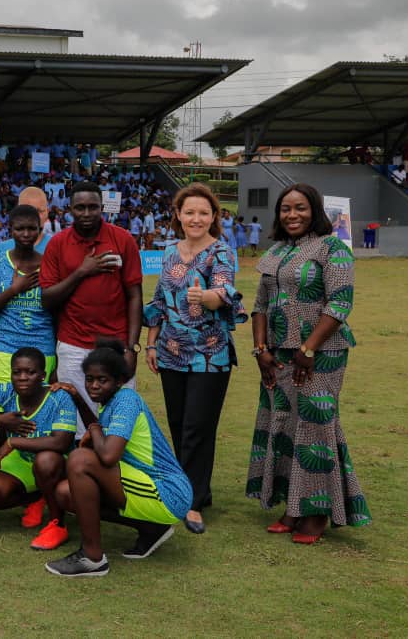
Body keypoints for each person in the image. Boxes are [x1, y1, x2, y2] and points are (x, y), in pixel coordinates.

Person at [247, 183, 370, 544]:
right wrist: (260, 350)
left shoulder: (333, 249)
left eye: (300, 208)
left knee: (316, 426)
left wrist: (309, 348)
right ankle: (293, 507)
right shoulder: (277, 251)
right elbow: (259, 306)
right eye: (285, 209)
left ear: (314, 210)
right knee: (284, 425)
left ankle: (316, 515)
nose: (292, 215)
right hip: (278, 354)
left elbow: (340, 303)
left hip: (323, 353)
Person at [143, 184, 246, 535]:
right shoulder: (170, 251)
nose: (196, 219)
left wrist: (207, 297)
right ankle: (194, 486)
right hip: (171, 352)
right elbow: (159, 300)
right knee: (178, 423)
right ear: (178, 215)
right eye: (190, 212)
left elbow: (223, 291)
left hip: (209, 354)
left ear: (214, 217)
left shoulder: (222, 252)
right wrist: (151, 344)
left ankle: (191, 501)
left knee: (197, 428)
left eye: (204, 213)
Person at [45, 339, 192, 577]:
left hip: (168, 492)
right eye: (89, 379)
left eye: (102, 380)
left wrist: (93, 431)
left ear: (120, 381)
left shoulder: (126, 400)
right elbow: (100, 433)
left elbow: (108, 454)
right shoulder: (110, 402)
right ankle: (152, 528)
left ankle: (93, 558)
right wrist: (77, 398)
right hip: (150, 486)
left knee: (80, 460)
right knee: (66, 493)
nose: (93, 386)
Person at [0, 348, 78, 550]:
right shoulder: (8, 391)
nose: (22, 378)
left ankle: (57, 523)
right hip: (23, 460)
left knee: (45, 460)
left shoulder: (59, 396)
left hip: (57, 464)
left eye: (30, 372)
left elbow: (60, 443)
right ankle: (36, 497)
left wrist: (13, 442)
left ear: (43, 375)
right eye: (17, 372)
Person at [41, 184, 143, 413]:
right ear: (70, 209)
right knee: (74, 420)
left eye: (92, 207)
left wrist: (131, 348)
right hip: (72, 344)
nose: (86, 214)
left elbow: (135, 296)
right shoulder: (58, 243)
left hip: (115, 344)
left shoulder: (123, 239)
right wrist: (81, 271)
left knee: (120, 417)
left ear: (102, 208)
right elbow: (47, 299)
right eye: (80, 208)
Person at [0, 205, 56, 384]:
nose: (26, 234)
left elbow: (58, 313)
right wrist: (12, 290)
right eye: (20, 229)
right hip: (5, 349)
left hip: (43, 348)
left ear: (40, 230)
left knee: (39, 408)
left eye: (31, 228)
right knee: (6, 409)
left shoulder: (51, 266)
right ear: (10, 229)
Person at [0, 187, 53, 255]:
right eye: (29, 210)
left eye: (40, 211)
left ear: (47, 212)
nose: (35, 216)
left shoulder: (57, 247)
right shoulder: (3, 249)